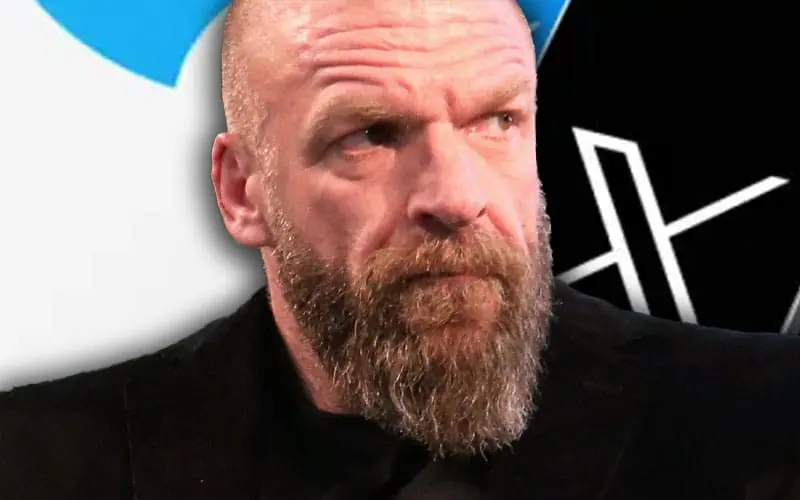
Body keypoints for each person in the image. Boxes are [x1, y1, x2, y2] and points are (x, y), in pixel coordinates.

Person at [1, 0, 798, 498]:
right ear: (244, 191)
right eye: (370, 135)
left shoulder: (768, 422)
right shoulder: (37, 462)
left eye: (497, 122)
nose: (456, 196)